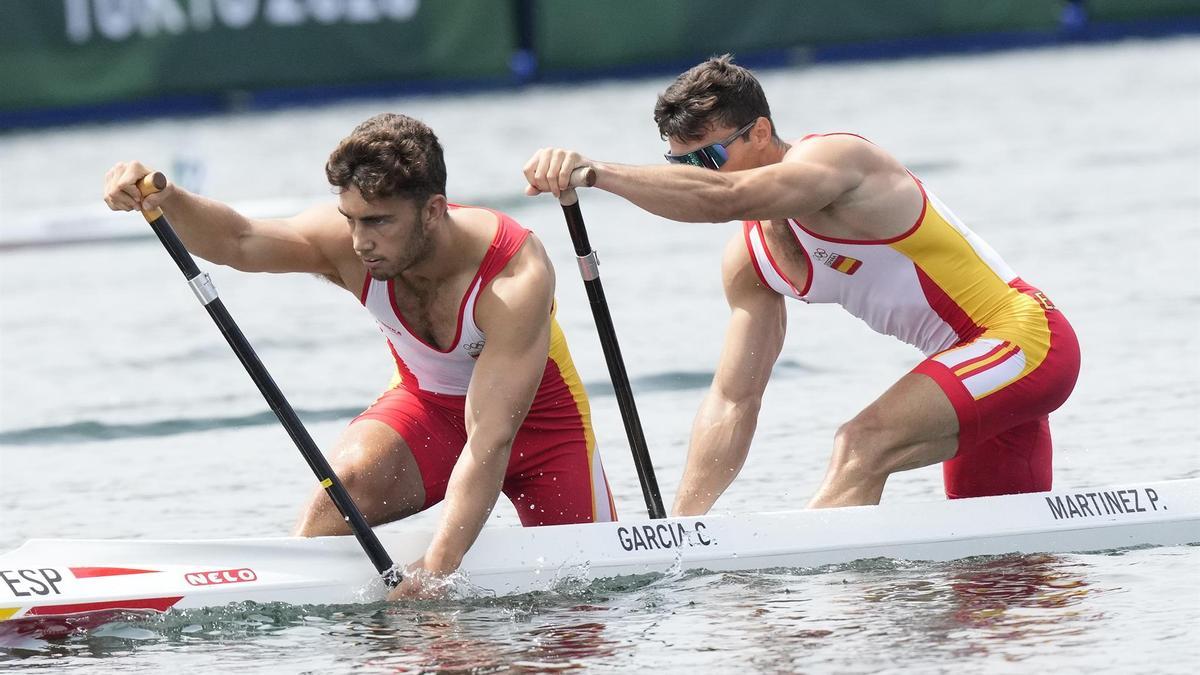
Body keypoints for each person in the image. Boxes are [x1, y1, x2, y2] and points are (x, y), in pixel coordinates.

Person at [523, 55, 1079, 514]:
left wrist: (596, 172)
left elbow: (725, 199)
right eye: (682, 163)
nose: (702, 174)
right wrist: (686, 529)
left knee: (860, 444)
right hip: (974, 369)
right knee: (998, 583)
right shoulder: (750, 258)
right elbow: (734, 398)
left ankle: (833, 626)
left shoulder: (839, 161)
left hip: (1025, 339)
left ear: (761, 131)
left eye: (711, 156)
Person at [104, 113, 616, 598]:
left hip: (543, 428)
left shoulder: (513, 274)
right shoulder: (348, 241)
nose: (360, 243)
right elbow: (239, 240)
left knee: (587, 599)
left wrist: (436, 573)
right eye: (350, 219)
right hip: (430, 409)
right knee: (338, 495)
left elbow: (491, 437)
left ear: (434, 210)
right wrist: (166, 196)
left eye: (377, 222)